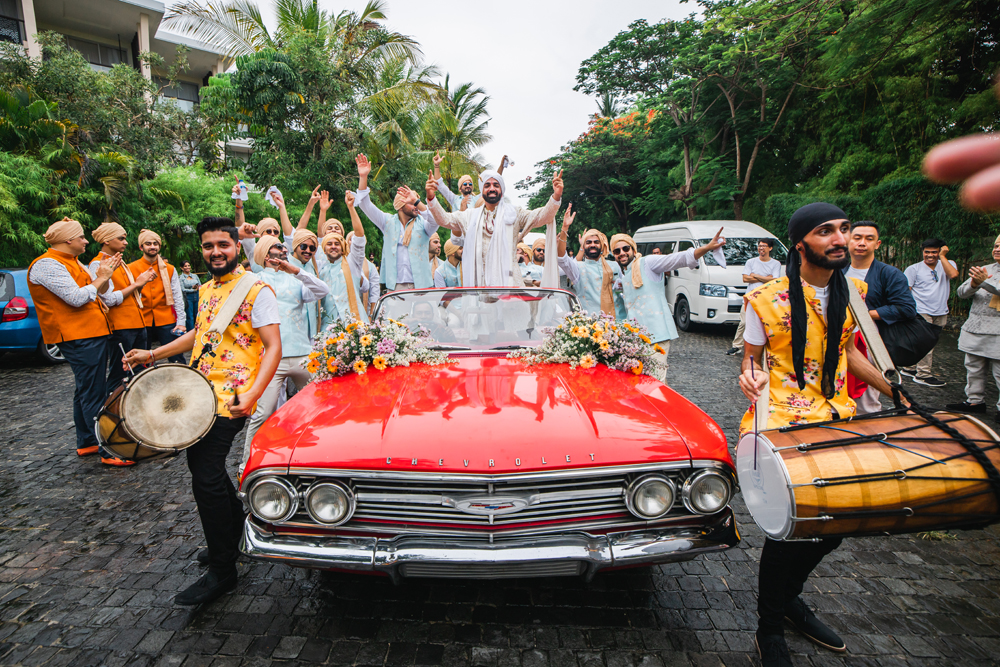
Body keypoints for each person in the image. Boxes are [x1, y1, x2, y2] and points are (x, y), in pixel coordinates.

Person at [738, 203, 895, 667]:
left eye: (844, 229)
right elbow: (751, 359)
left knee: (834, 527)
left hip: (836, 416)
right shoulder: (766, 298)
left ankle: (787, 601)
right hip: (782, 419)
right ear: (802, 243)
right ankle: (769, 628)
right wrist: (749, 377)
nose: (840, 238)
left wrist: (895, 389)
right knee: (789, 532)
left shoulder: (856, 291)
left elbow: (845, 352)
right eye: (826, 231)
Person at [123, 216, 281, 606]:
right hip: (198, 391)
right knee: (204, 469)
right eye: (208, 246)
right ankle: (237, 533)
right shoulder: (209, 288)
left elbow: (273, 347)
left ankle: (223, 570)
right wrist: (153, 353)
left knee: (206, 474)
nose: (215, 252)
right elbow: (201, 333)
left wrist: (254, 394)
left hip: (232, 397)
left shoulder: (257, 290)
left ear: (235, 246)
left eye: (222, 245)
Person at [28, 218, 118, 458]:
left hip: (92, 332)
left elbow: (102, 293)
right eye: (81, 237)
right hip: (77, 336)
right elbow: (76, 298)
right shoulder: (46, 264)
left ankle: (87, 441)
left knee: (86, 389)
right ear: (68, 240)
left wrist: (105, 276)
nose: (86, 240)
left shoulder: (75, 262)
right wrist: (100, 277)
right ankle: (108, 449)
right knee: (94, 393)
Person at [242, 235, 328, 456]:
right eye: (277, 246)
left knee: (318, 408)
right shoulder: (253, 279)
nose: (283, 250)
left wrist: (297, 271)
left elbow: (322, 291)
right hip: (271, 358)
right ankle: (246, 464)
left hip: (303, 355)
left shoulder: (296, 280)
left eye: (283, 246)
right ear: (264, 253)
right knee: (262, 413)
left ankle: (318, 455)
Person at [609, 230, 725, 382]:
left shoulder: (648, 263)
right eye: (617, 251)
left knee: (655, 383)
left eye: (625, 249)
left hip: (657, 338)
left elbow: (679, 258)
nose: (622, 253)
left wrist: (708, 247)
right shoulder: (624, 276)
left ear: (633, 249)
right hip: (637, 340)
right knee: (644, 384)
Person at [425, 168, 564, 287]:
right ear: (482, 191)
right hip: (480, 286)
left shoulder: (514, 213)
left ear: (501, 190)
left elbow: (541, 217)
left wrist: (556, 196)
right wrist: (431, 198)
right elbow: (444, 220)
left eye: (496, 185)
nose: (492, 188)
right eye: (487, 185)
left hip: (510, 285)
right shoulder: (469, 216)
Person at [842, 222, 918, 414]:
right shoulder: (836, 270)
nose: (862, 243)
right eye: (857, 237)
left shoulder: (890, 274)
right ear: (848, 241)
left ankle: (870, 432)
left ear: (878, 244)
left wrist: (864, 315)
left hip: (869, 340)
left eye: (869, 239)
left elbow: (907, 308)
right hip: (838, 338)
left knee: (866, 396)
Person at [89, 222, 157, 399]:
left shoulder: (121, 263)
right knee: (120, 373)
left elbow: (131, 293)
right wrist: (137, 284)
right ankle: (115, 410)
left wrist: (140, 283)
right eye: (121, 238)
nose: (125, 243)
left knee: (140, 369)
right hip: (119, 326)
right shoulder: (98, 264)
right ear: (106, 240)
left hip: (137, 322)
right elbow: (109, 299)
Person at [354, 154, 440, 291]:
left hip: (421, 286)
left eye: (416, 202)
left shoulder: (423, 223)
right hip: (395, 287)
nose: (416, 206)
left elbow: (436, 220)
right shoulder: (387, 222)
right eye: (411, 203)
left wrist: (417, 202)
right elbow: (365, 204)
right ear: (400, 206)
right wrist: (363, 177)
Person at [946, 235, 1000, 422]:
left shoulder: (985, 274)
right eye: (996, 245)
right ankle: (975, 401)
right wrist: (974, 283)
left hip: (998, 330)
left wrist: (984, 281)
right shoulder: (986, 269)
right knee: (973, 367)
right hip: (975, 326)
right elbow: (961, 293)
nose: (997, 249)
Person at [901, 238, 959, 386]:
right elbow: (906, 291)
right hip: (921, 310)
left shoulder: (947, 264)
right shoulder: (914, 269)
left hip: (941, 310)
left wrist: (943, 257)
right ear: (922, 252)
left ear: (940, 252)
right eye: (927, 252)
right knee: (926, 343)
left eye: (934, 252)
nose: (930, 255)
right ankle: (923, 374)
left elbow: (953, 275)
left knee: (928, 341)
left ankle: (909, 367)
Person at [556, 205, 626, 319]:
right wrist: (565, 228)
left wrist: (620, 287)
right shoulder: (578, 268)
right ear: (583, 246)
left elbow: (624, 289)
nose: (592, 244)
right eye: (588, 242)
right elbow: (562, 258)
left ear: (601, 245)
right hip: (591, 328)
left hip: (619, 323)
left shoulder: (614, 265)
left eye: (596, 242)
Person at [128, 229, 186, 363]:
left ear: (159, 246)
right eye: (148, 244)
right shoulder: (131, 268)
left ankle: (182, 381)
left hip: (166, 318)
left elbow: (177, 296)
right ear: (141, 247)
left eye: (155, 243)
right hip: (141, 319)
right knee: (140, 359)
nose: (152, 246)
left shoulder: (169, 268)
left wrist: (181, 322)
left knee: (176, 356)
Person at [319, 191, 371, 327]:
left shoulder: (352, 263)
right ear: (323, 249)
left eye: (337, 244)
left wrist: (351, 208)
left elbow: (359, 235)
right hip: (327, 328)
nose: (333, 247)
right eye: (329, 244)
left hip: (356, 326)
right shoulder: (319, 267)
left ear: (343, 248)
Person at [726, 239, 782, 356]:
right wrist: (765, 277)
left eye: (764, 246)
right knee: (744, 322)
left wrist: (755, 275)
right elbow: (745, 278)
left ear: (770, 248)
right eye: (760, 246)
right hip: (750, 297)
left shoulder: (775, 264)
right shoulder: (751, 262)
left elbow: (775, 280)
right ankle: (737, 346)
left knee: (766, 323)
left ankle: (768, 347)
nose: (761, 248)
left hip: (766, 298)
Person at [180, 261, 201, 331]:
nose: (187, 267)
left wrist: (197, 288)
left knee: (198, 314)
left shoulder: (195, 276)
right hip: (188, 297)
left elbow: (201, 286)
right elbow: (182, 289)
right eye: (185, 266)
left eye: (188, 265)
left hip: (197, 296)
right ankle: (191, 332)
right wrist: (192, 289)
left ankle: (199, 330)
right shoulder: (181, 277)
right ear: (182, 268)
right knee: (190, 316)